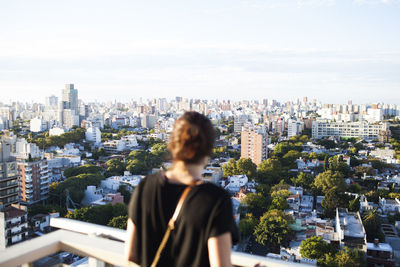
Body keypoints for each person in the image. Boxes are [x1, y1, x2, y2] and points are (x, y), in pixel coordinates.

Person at [125, 111, 239, 267]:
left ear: (173, 145)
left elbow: (131, 253)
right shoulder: (215, 200)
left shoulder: (145, 187)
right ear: (208, 151)